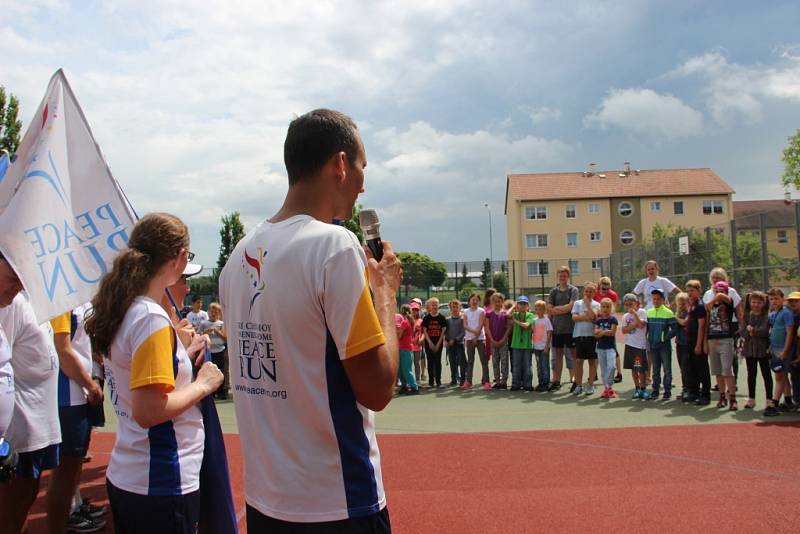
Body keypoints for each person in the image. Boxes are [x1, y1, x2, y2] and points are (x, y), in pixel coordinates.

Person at [218, 109, 401, 531]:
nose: (362, 183)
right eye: (361, 167)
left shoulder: (237, 257)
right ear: (340, 164)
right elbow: (376, 388)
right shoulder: (334, 247)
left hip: (267, 501)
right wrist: (385, 294)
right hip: (336, 501)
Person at [84, 212, 224, 534]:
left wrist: (180, 358)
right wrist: (204, 383)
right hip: (160, 478)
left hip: (135, 473)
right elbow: (149, 410)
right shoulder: (150, 318)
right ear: (177, 258)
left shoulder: (127, 309)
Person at [0, 256, 62, 534]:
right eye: (12, 273)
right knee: (11, 509)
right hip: (19, 428)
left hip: (38, 424)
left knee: (24, 501)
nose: (18, 280)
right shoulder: (9, 306)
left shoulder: (28, 297)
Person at [48, 304, 106, 533]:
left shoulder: (78, 299)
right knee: (66, 467)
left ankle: (74, 505)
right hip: (68, 395)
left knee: (76, 461)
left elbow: (80, 341)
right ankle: (65, 517)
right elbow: (62, 349)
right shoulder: (61, 301)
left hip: (78, 393)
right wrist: (89, 384)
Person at [740, 292, 774, 414]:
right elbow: (743, 331)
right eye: (754, 302)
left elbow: (765, 331)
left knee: (766, 374)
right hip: (749, 349)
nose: (756, 305)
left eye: (759, 303)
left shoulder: (766, 316)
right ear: (750, 302)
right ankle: (751, 398)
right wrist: (748, 332)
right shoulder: (747, 315)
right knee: (751, 374)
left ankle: (769, 400)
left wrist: (753, 331)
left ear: (764, 303)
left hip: (763, 349)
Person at [547, 266, 579, 392]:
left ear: (568, 276)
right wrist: (562, 309)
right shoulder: (553, 291)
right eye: (560, 275)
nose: (562, 277)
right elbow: (549, 308)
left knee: (574, 355)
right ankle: (556, 381)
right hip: (557, 329)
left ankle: (576, 380)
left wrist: (556, 309)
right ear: (557, 276)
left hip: (571, 328)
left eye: (564, 275)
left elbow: (571, 307)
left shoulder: (573, 290)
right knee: (558, 355)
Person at [707, 281, 737, 410]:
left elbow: (721, 297)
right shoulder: (711, 304)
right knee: (718, 371)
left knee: (727, 370)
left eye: (722, 290)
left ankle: (733, 398)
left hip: (726, 339)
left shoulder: (728, 302)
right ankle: (722, 396)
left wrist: (717, 295)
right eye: (716, 290)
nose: (719, 293)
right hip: (712, 340)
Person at [645, 289, 677, 400]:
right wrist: (648, 338)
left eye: (658, 299)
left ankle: (667, 391)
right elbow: (647, 328)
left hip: (664, 346)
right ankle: (655, 391)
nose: (656, 301)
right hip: (653, 346)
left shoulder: (668, 313)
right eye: (654, 299)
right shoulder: (649, 312)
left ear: (663, 300)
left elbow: (674, 329)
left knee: (667, 369)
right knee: (655, 370)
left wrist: (664, 338)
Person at [767, 288, 795, 412]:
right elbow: (772, 331)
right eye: (771, 299)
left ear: (782, 299)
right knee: (782, 377)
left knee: (779, 377)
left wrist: (785, 350)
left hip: (783, 350)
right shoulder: (772, 314)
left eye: (777, 299)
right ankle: (788, 401)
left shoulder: (786, 313)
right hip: (775, 349)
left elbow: (790, 333)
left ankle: (775, 404)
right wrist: (770, 347)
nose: (774, 301)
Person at [683, 280, 710, 406]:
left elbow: (701, 327)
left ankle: (705, 394)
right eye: (688, 291)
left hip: (696, 341)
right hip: (689, 341)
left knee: (702, 368)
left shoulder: (700, 305)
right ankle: (694, 392)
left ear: (699, 291)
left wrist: (699, 344)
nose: (690, 293)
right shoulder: (692, 305)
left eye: (692, 291)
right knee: (691, 367)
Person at [571, 283, 601, 396]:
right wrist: (587, 317)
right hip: (579, 336)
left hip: (592, 337)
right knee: (578, 361)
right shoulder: (577, 303)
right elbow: (574, 317)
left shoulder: (597, 304)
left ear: (594, 293)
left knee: (592, 361)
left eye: (591, 292)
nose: (588, 294)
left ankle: (590, 385)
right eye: (586, 291)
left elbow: (594, 317)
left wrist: (588, 306)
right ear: (584, 292)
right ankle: (578, 385)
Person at [594, 276, 622, 383]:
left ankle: (619, 373)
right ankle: (595, 373)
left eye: (607, 288)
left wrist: (601, 313)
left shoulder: (612, 294)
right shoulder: (595, 293)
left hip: (608, 323)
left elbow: (611, 310)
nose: (605, 291)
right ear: (599, 286)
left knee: (614, 351)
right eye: (603, 288)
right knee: (597, 350)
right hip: (597, 323)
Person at [621, 293, 649, 399]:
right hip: (629, 346)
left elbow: (641, 325)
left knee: (641, 369)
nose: (629, 307)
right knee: (633, 369)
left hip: (639, 346)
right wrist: (634, 325)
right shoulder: (625, 316)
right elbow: (624, 330)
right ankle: (637, 388)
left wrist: (635, 315)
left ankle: (643, 389)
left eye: (631, 304)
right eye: (627, 305)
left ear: (636, 303)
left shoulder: (641, 312)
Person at [463, 293, 489, 390]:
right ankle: (468, 381)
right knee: (470, 361)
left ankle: (486, 381)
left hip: (480, 339)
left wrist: (476, 336)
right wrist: (473, 335)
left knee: (484, 361)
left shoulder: (481, 311)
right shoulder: (465, 311)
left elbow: (481, 324)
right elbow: (465, 325)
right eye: (472, 300)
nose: (474, 301)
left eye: (476, 300)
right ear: (469, 301)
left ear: (479, 302)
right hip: (469, 339)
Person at [204, 303, 229, 400]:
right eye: (212, 311)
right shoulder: (204, 324)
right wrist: (207, 331)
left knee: (222, 371)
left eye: (216, 312)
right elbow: (199, 335)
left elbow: (225, 338)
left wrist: (217, 332)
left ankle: (222, 392)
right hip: (209, 352)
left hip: (220, 351)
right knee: (210, 372)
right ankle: (212, 392)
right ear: (208, 312)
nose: (213, 313)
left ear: (219, 313)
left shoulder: (221, 324)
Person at [486, 293, 511, 389]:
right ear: (492, 302)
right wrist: (492, 340)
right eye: (495, 301)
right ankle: (497, 381)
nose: (497, 303)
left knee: (504, 361)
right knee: (495, 362)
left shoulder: (505, 314)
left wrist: (503, 339)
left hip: (503, 342)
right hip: (493, 342)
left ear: (502, 302)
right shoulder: (489, 314)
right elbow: (487, 328)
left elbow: (509, 327)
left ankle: (504, 381)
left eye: (499, 301)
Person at [594, 298, 619, 399]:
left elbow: (612, 332)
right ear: (600, 308)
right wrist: (603, 332)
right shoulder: (598, 320)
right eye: (603, 307)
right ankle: (607, 389)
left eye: (607, 307)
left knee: (612, 366)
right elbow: (595, 334)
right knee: (603, 370)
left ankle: (609, 385)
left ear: (611, 308)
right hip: (600, 348)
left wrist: (602, 332)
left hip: (610, 348)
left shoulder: (613, 319)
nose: (605, 309)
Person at [422, 297, 447, 388]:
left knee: (437, 362)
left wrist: (438, 344)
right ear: (429, 306)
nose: (434, 306)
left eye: (436, 305)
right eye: (432, 305)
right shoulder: (426, 318)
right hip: (429, 344)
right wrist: (430, 343)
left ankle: (438, 382)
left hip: (438, 344)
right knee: (430, 362)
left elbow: (443, 332)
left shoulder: (442, 318)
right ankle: (431, 382)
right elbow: (425, 331)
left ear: (438, 305)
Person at [510, 296, 534, 391]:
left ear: (528, 306)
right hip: (516, 344)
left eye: (524, 304)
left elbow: (526, 325)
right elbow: (506, 314)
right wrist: (513, 306)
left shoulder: (530, 315)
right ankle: (516, 384)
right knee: (516, 365)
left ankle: (527, 384)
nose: (522, 305)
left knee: (527, 365)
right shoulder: (515, 314)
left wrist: (515, 321)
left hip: (527, 345)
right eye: (520, 303)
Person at [396, 304, 419, 395]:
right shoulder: (410, 321)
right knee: (402, 369)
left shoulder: (405, 322)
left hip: (405, 349)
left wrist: (396, 330)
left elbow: (399, 335)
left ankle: (414, 387)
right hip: (405, 348)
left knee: (406, 369)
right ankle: (404, 386)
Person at [673, 292, 691, 401]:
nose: (681, 306)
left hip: (687, 344)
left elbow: (684, 323)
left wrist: (674, 318)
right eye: (679, 304)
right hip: (679, 343)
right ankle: (685, 389)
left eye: (683, 303)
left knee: (686, 367)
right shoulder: (678, 313)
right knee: (682, 368)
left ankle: (689, 389)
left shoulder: (689, 313)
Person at [531, 300, 553, 391]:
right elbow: (532, 332)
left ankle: (546, 383)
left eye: (540, 309)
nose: (538, 311)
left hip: (544, 347)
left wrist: (546, 346)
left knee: (545, 365)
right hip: (536, 347)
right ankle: (540, 383)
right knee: (539, 366)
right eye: (536, 309)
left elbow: (549, 332)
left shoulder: (546, 320)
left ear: (544, 310)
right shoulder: (534, 320)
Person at [444, 300, 466, 388]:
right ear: (450, 308)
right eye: (453, 307)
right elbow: (445, 332)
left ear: (460, 307)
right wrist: (446, 340)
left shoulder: (462, 319)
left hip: (459, 344)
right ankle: (454, 379)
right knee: (452, 362)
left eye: (457, 307)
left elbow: (463, 331)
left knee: (462, 362)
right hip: (450, 344)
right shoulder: (447, 319)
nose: (455, 308)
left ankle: (463, 379)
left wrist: (455, 339)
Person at [410, 302, 425, 382]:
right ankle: (409, 381)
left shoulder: (420, 321)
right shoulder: (407, 319)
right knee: (408, 365)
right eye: (413, 309)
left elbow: (423, 333)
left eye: (416, 310)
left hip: (417, 347)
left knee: (417, 364)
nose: (415, 311)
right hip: (408, 347)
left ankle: (417, 380)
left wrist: (422, 339)